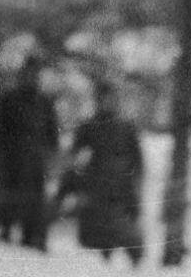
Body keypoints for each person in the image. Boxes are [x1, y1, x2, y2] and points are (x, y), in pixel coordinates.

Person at [62, 78, 145, 265]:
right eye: (103, 98)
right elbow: (74, 155)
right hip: (97, 186)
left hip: (121, 187)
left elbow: (137, 161)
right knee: (99, 234)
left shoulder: (126, 128)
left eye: (110, 98)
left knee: (127, 231)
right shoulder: (90, 126)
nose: (107, 102)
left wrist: (134, 183)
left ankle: (134, 265)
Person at [0, 56, 61, 251]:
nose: (31, 77)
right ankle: (5, 231)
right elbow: (0, 130)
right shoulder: (9, 99)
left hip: (35, 161)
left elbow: (51, 133)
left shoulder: (44, 103)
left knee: (34, 200)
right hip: (13, 158)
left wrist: (49, 156)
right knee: (11, 197)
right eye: (28, 73)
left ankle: (32, 238)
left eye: (35, 74)